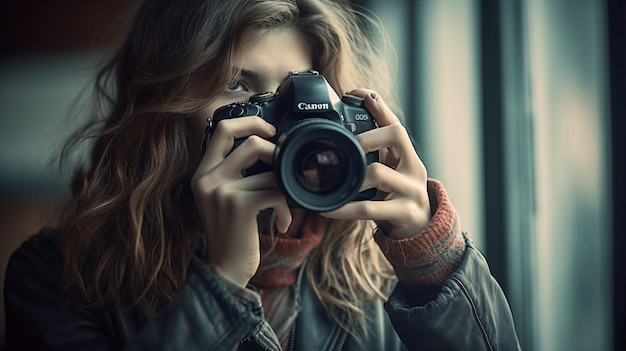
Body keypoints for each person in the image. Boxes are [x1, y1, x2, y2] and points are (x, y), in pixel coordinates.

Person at [4, 0, 521, 349]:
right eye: (237, 86)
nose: (276, 125)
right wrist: (221, 284)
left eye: (299, 95)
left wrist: (431, 258)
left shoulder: (374, 269)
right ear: (163, 108)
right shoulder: (58, 278)